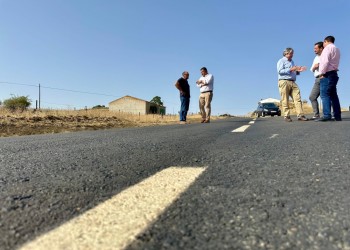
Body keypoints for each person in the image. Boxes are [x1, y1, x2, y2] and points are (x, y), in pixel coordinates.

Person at [277, 48, 308, 122]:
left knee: (297, 98)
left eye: (292, 53)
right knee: (285, 99)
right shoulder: (281, 61)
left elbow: (293, 71)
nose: (292, 55)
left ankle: (300, 115)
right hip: (284, 81)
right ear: (286, 53)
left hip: (293, 82)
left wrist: (298, 71)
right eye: (291, 53)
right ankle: (286, 116)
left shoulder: (292, 62)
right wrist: (291, 69)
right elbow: (280, 71)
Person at [316, 35, 341, 122]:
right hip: (334, 73)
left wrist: (322, 73)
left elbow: (325, 61)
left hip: (327, 74)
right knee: (334, 95)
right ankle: (337, 116)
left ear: (325, 41)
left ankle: (326, 115)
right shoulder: (337, 49)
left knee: (324, 94)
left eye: (323, 43)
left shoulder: (327, 48)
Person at [309, 42, 324, 119]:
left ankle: (328, 114)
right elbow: (311, 69)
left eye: (316, 48)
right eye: (314, 48)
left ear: (321, 48)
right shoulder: (316, 58)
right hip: (317, 79)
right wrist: (314, 67)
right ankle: (316, 114)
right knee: (312, 97)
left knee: (325, 96)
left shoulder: (325, 56)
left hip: (324, 77)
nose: (314, 50)